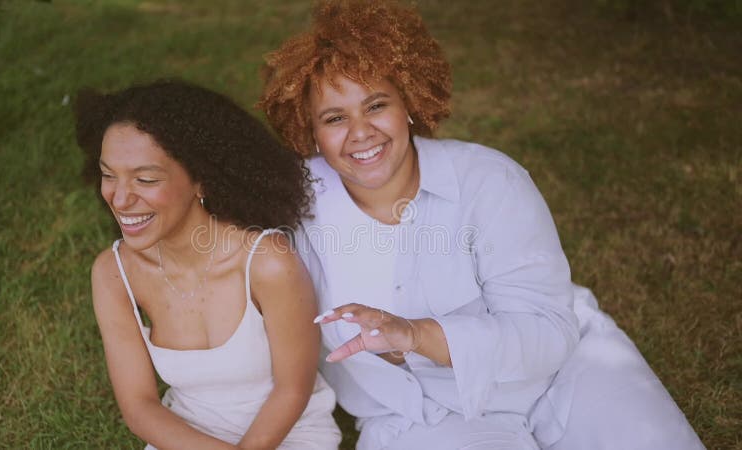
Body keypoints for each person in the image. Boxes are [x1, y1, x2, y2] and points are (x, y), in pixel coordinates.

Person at [258, 1, 705, 449]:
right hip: (422, 417)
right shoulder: (292, 203)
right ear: (311, 133)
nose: (360, 132)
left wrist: (415, 336)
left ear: (408, 105)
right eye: (335, 118)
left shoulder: (490, 181)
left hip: (564, 375)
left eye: (376, 105)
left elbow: (550, 333)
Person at [74, 80, 341, 450]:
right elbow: (138, 406)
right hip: (189, 438)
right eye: (108, 175)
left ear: (201, 179)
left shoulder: (267, 263)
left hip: (288, 435)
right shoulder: (113, 274)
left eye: (145, 179)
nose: (119, 198)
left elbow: (293, 389)